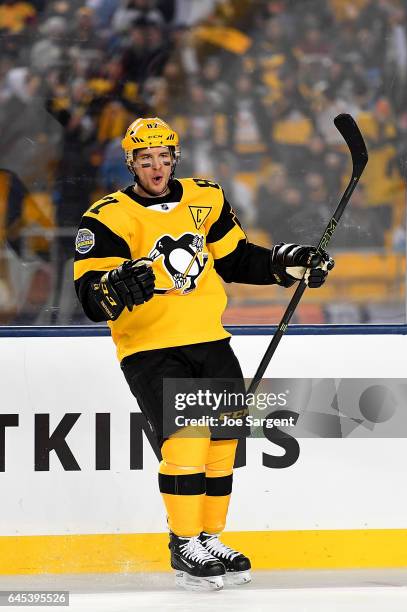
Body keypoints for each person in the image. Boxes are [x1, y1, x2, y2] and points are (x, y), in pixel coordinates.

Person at [73, 117, 334, 591]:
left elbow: (235, 259)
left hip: (210, 341)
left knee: (221, 449)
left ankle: (208, 538)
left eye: (164, 157)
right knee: (186, 446)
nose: (157, 166)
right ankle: (183, 541)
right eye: (146, 159)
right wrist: (117, 284)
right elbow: (91, 297)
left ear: (176, 158)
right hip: (151, 348)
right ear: (131, 163)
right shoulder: (106, 217)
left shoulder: (205, 197)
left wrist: (286, 262)